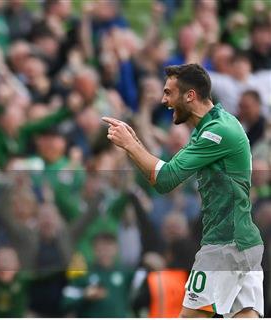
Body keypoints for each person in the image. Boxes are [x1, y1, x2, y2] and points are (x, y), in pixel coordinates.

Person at [103, 63, 263, 318]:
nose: (164, 100)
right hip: (243, 243)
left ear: (190, 95)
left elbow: (165, 180)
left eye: (169, 93)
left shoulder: (216, 133)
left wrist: (130, 145)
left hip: (224, 245)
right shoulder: (217, 125)